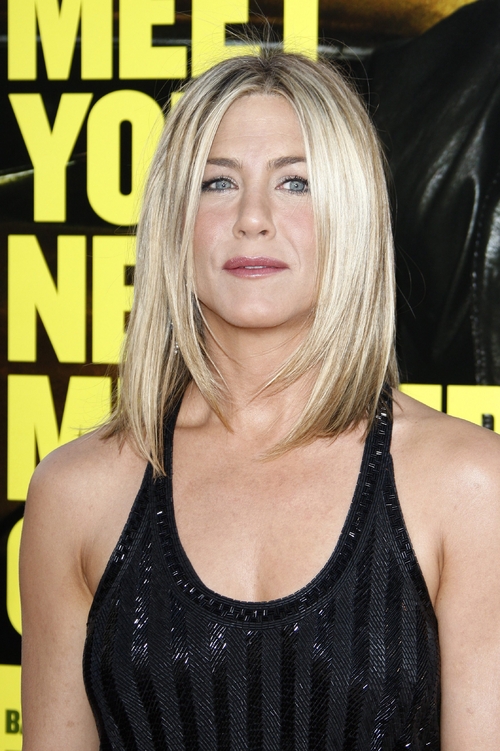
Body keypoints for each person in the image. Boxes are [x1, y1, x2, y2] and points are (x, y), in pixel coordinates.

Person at [20, 50, 500, 750]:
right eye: (217, 182)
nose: (252, 218)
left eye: (296, 182)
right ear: (174, 220)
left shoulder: (469, 484)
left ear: (353, 216)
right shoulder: (75, 492)